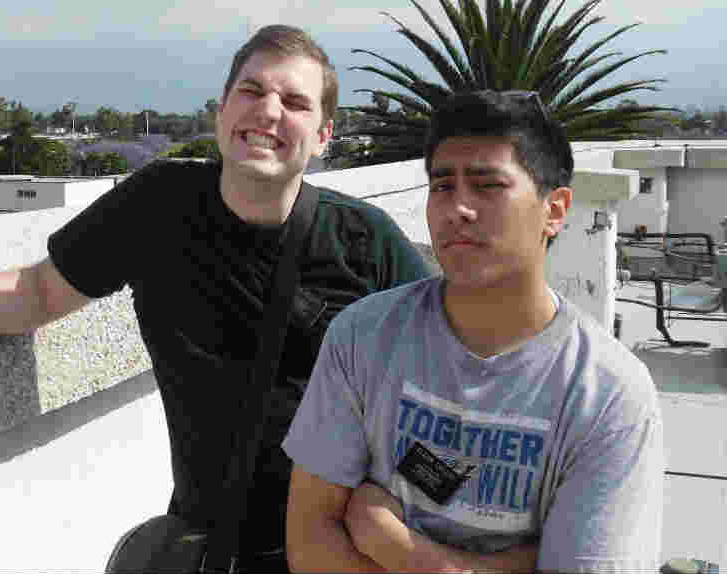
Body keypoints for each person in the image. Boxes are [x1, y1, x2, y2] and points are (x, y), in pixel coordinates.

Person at [0, 25, 430, 570]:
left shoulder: (365, 243)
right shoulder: (157, 206)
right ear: (220, 111)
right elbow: (38, 292)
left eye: (294, 102)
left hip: (337, 551)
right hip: (211, 549)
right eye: (252, 91)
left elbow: (455, 373)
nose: (268, 111)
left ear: (323, 134)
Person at [283, 91, 665, 573]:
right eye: (442, 186)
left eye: (487, 185)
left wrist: (403, 550)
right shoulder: (363, 337)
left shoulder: (607, 394)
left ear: (555, 209)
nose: (457, 208)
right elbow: (311, 543)